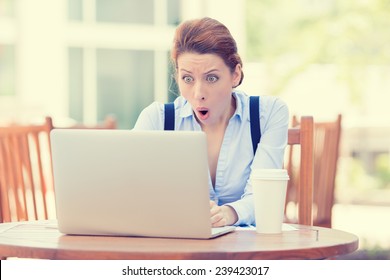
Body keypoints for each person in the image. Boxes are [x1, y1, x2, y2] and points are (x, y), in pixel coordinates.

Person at [133, 17, 289, 227]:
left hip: (246, 250)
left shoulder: (269, 114)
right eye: (188, 79)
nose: (198, 94)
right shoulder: (156, 119)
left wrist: (228, 214)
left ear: (235, 74)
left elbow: (264, 197)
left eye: (211, 78)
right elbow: (133, 194)